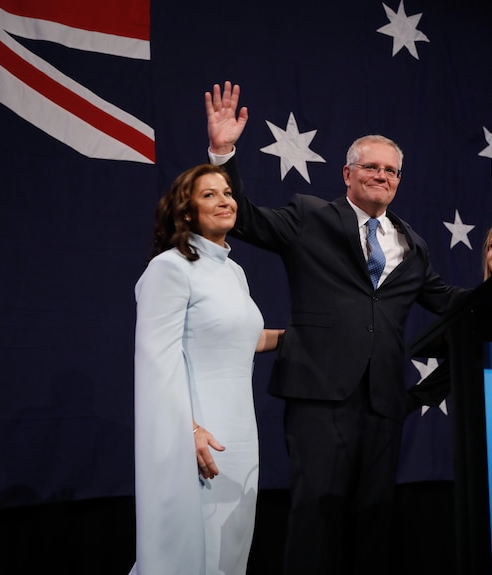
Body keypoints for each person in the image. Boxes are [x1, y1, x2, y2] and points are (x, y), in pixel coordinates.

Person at [204, 81, 468, 575]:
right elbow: (247, 222)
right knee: (314, 519)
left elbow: (449, 302)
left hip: (384, 405)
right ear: (347, 174)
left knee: (373, 524)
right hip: (319, 397)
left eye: (391, 171)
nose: (381, 176)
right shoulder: (310, 216)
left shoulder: (413, 244)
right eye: (371, 167)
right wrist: (222, 152)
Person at [131, 164, 283, 574]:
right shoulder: (170, 267)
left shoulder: (234, 271)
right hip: (197, 435)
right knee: (185, 555)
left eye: (228, 192)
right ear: (185, 212)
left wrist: (300, 335)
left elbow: (243, 340)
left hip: (240, 436)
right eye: (210, 195)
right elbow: (155, 361)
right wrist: (189, 430)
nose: (225, 201)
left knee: (227, 555)